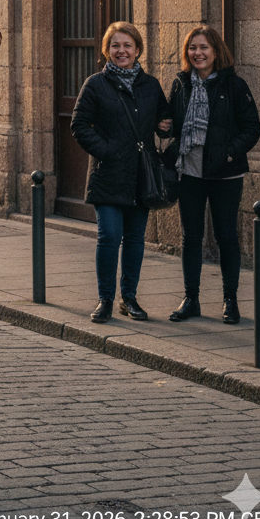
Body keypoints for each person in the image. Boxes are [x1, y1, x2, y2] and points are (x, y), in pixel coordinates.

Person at [71, 22, 172, 324]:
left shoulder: (150, 85)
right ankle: (105, 299)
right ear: (107, 50)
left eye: (127, 45)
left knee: (135, 239)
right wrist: (107, 151)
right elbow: (78, 126)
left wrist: (164, 125)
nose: (121, 51)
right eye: (115, 45)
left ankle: (129, 298)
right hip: (108, 172)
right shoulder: (95, 84)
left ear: (138, 50)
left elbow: (164, 119)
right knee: (109, 236)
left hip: (141, 176)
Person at [165, 26, 260, 325]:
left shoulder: (234, 85)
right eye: (193, 48)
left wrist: (229, 153)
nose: (198, 53)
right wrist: (162, 127)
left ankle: (230, 300)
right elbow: (170, 122)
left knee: (226, 237)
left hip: (225, 174)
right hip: (189, 171)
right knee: (190, 237)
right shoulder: (181, 85)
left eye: (204, 47)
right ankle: (191, 298)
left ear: (216, 52)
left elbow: (252, 127)